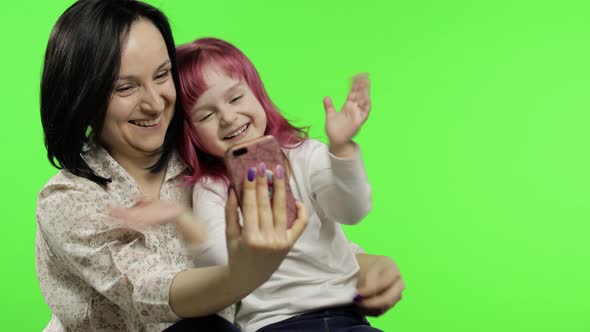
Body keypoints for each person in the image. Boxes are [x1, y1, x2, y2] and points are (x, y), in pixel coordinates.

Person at [36, 1, 404, 331]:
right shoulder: (68, 200)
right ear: (82, 97)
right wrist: (242, 274)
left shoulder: (212, 160)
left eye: (163, 75)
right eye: (125, 88)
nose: (155, 103)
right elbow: (147, 291)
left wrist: (364, 265)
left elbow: (288, 229)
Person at [169, 37, 379, 332]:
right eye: (206, 115)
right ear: (191, 134)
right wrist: (253, 228)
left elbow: (352, 210)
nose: (228, 118)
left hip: (348, 319)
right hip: (274, 324)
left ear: (257, 94)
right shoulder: (212, 187)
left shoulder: (307, 156)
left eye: (236, 98)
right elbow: (216, 260)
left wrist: (341, 149)